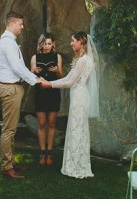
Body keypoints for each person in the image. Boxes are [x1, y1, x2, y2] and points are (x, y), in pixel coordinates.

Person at [41, 31, 99, 178]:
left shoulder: (83, 60)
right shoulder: (84, 59)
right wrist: (51, 82)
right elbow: (67, 78)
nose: (71, 43)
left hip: (79, 97)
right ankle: (77, 163)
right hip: (79, 96)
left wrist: (49, 85)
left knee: (76, 130)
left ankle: (76, 166)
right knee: (77, 129)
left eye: (73, 41)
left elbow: (69, 82)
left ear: (81, 42)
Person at [0, 11, 46, 179]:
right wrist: (35, 80)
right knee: (8, 130)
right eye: (20, 24)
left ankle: (11, 161)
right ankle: (6, 166)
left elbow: (18, 66)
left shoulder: (10, 42)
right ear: (11, 24)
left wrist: (33, 78)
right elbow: (17, 67)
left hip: (13, 87)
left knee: (11, 128)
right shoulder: (8, 43)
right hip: (10, 88)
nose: (22, 27)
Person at [30, 32, 63, 165]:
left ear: (53, 44)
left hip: (53, 92)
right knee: (42, 123)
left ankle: (50, 152)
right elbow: (30, 76)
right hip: (40, 92)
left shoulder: (57, 56)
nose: (47, 46)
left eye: (49, 43)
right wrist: (34, 72)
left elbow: (61, 76)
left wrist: (56, 70)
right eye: (44, 43)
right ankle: (42, 152)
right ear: (40, 44)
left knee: (52, 122)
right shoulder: (35, 57)